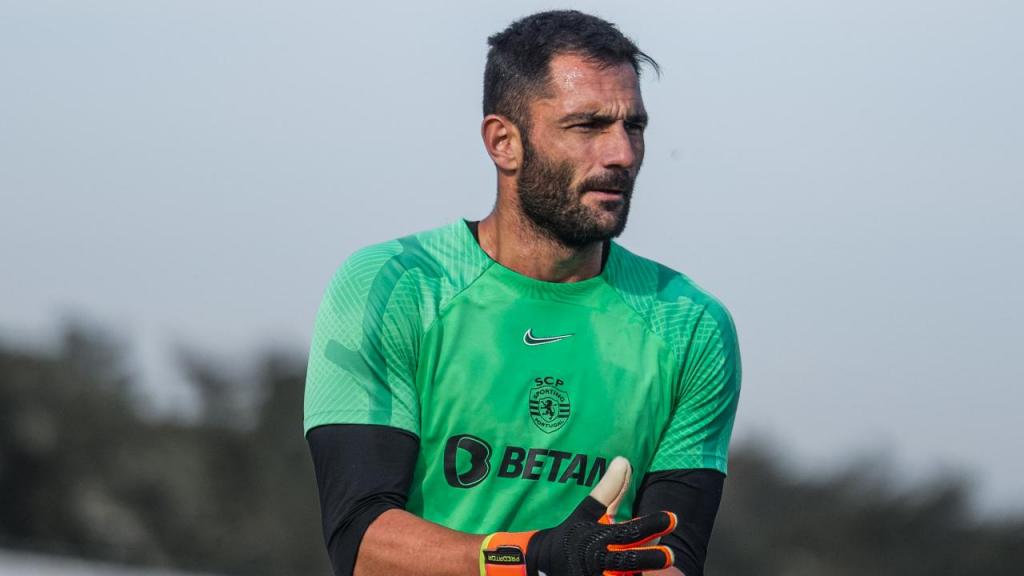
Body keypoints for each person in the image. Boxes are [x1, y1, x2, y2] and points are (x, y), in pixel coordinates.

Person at [304, 10, 741, 576]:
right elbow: (359, 541)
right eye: (587, 126)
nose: (622, 155)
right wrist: (529, 558)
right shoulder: (394, 286)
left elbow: (671, 557)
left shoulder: (691, 324)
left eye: (633, 127)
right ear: (503, 142)